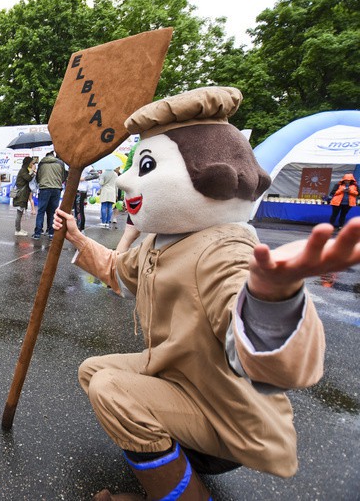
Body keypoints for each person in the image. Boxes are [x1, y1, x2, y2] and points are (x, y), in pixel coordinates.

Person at [52, 87, 360, 501]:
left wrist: (271, 297)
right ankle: (175, 456)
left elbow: (265, 356)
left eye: (145, 166)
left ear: (212, 174)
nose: (125, 179)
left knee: (111, 389)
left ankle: (187, 495)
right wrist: (77, 238)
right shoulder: (162, 240)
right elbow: (118, 271)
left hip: (223, 408)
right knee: (93, 370)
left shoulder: (224, 250)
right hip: (184, 377)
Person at [32, 151, 65, 239]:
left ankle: (37, 233)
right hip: (56, 189)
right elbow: (63, 177)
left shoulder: (42, 163)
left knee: (41, 211)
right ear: (53, 156)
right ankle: (51, 233)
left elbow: (38, 178)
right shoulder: (60, 163)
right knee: (53, 212)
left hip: (44, 189)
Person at [12, 157, 36, 236]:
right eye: (31, 163)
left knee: (20, 212)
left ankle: (19, 229)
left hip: (23, 194)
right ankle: (17, 230)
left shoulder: (25, 170)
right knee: (19, 212)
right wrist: (32, 170)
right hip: (21, 195)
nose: (32, 164)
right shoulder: (23, 170)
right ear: (28, 163)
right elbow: (28, 178)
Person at [74, 164, 99, 230]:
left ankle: (80, 228)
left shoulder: (86, 166)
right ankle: (79, 227)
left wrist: (83, 179)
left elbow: (96, 175)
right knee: (77, 210)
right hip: (77, 190)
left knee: (79, 210)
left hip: (81, 190)